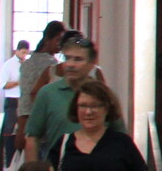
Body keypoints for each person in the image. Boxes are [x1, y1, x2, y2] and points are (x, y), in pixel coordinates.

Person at [23, 32, 109, 163]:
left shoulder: (103, 95)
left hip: (98, 168)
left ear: (91, 64)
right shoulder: (47, 93)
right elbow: (32, 137)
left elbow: (120, 135)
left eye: (78, 59)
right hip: (58, 168)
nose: (70, 64)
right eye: (67, 58)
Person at [14, 23, 66, 153]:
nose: (60, 44)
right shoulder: (52, 65)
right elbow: (29, 97)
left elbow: (24, 100)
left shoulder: (27, 63)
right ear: (48, 39)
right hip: (44, 124)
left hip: (29, 122)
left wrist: (21, 127)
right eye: (58, 39)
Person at [0, 39, 28, 145]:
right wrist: (18, 82)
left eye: (26, 53)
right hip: (12, 100)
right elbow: (3, 85)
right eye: (23, 52)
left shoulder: (27, 65)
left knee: (24, 128)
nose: (24, 55)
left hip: (25, 100)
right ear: (17, 51)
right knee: (10, 128)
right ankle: (8, 151)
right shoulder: (8, 65)